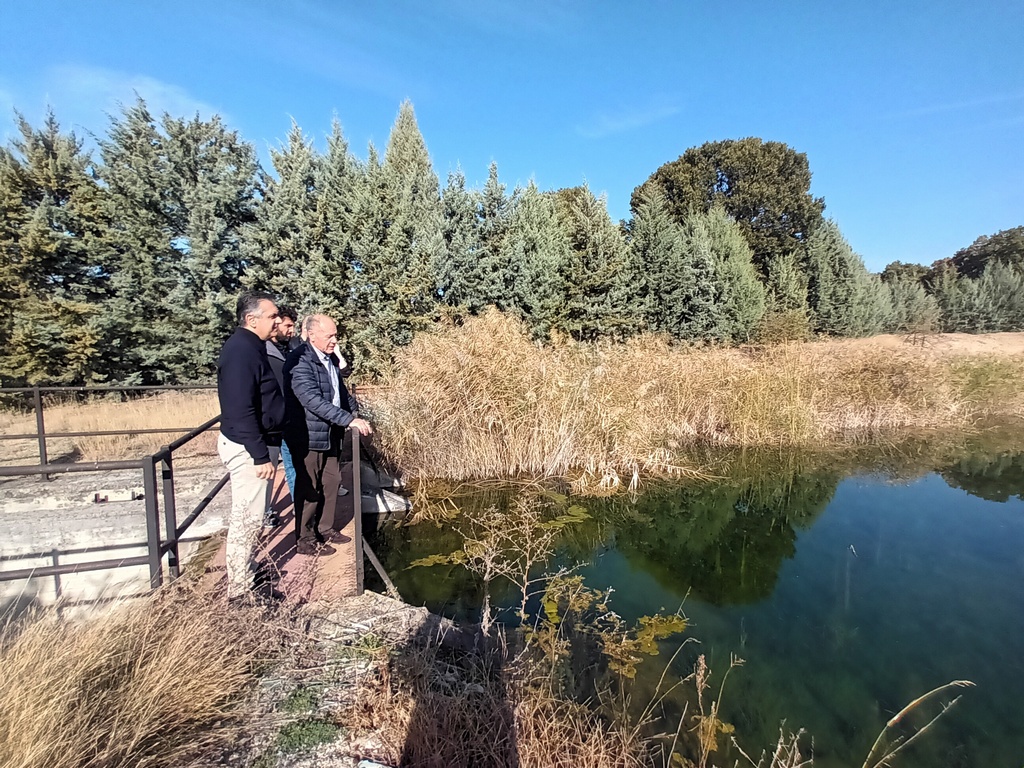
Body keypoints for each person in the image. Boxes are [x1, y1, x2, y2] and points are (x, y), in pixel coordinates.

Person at [283, 314, 373, 555]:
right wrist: (348, 420)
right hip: (308, 434)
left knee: (332, 482)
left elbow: (339, 392)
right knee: (309, 488)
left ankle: (325, 528)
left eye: (336, 335)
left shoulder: (330, 359)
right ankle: (305, 539)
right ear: (312, 335)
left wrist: (355, 411)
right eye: (330, 336)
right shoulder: (300, 360)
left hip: (330, 432)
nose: (335, 340)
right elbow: (311, 399)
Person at [217, 290, 284, 600]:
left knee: (254, 516)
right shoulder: (241, 352)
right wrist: (259, 455)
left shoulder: (253, 347)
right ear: (251, 319)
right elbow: (240, 408)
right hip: (248, 450)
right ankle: (239, 591)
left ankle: (248, 570)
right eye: (272, 316)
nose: (278, 321)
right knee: (247, 519)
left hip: (257, 445)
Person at [264, 305, 300, 527]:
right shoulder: (263, 353)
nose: (291, 330)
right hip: (269, 424)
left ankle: (299, 505)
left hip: (287, 420)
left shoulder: (286, 350)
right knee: (267, 469)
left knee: (293, 464)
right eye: (288, 325)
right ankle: (264, 511)